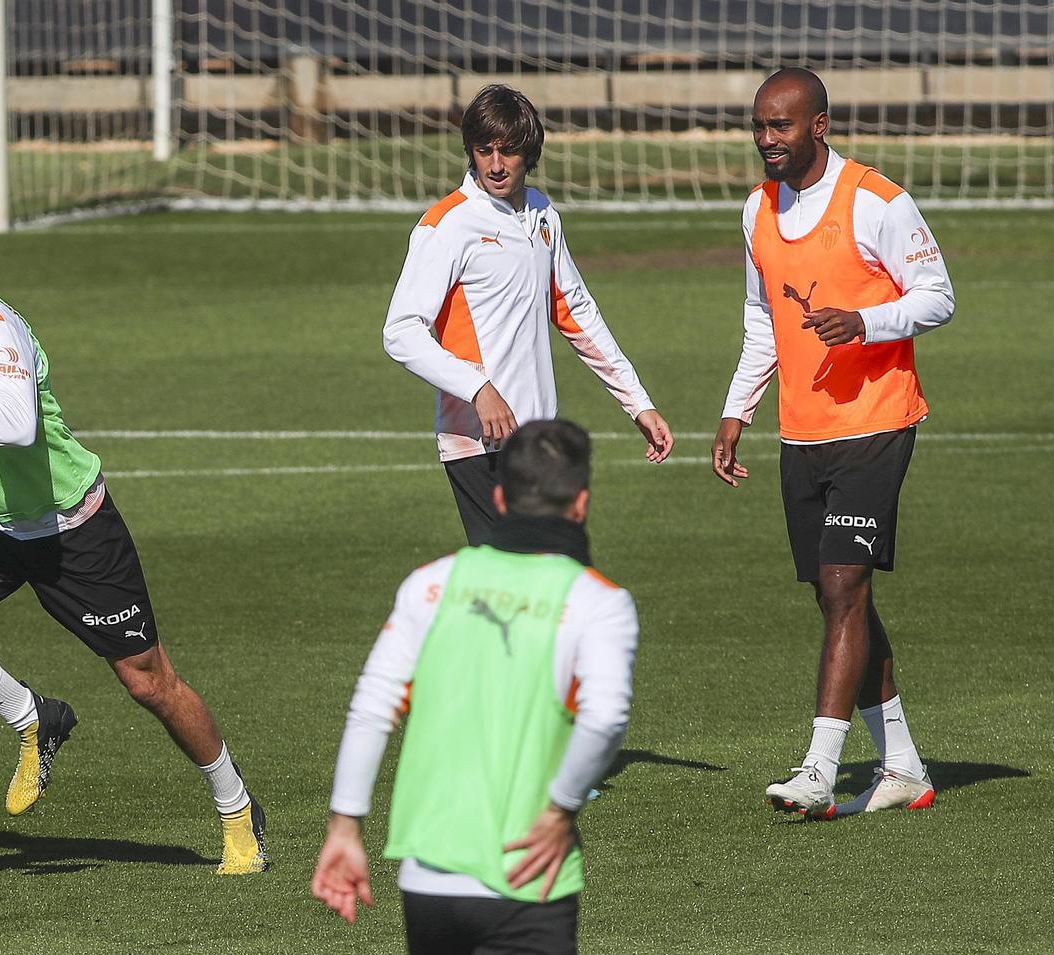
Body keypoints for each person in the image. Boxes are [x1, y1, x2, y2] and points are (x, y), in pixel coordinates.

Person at [0, 212, 266, 875]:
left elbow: (15, 423)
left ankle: (238, 811)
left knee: (149, 685)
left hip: (72, 526)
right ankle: (35, 716)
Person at [311, 419, 636, 955]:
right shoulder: (597, 602)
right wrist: (560, 809)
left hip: (427, 875)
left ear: (498, 495)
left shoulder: (432, 583)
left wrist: (343, 825)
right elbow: (605, 717)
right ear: (582, 504)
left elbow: (372, 704)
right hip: (527, 877)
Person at [711, 67, 951, 818]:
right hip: (801, 429)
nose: (766, 140)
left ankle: (818, 769)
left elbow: (937, 296)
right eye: (758, 126)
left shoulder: (878, 201)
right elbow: (763, 321)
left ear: (819, 126)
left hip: (877, 422)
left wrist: (866, 322)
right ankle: (905, 766)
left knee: (844, 587)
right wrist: (735, 409)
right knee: (834, 594)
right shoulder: (756, 209)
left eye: (780, 126)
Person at [383, 83, 673, 545]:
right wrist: (478, 389)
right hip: (479, 444)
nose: (496, 165)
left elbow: (576, 312)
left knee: (550, 576)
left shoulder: (542, 214)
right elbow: (400, 332)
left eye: (509, 151)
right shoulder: (446, 225)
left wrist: (637, 402)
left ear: (530, 152)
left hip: (538, 440)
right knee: (517, 584)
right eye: (484, 151)